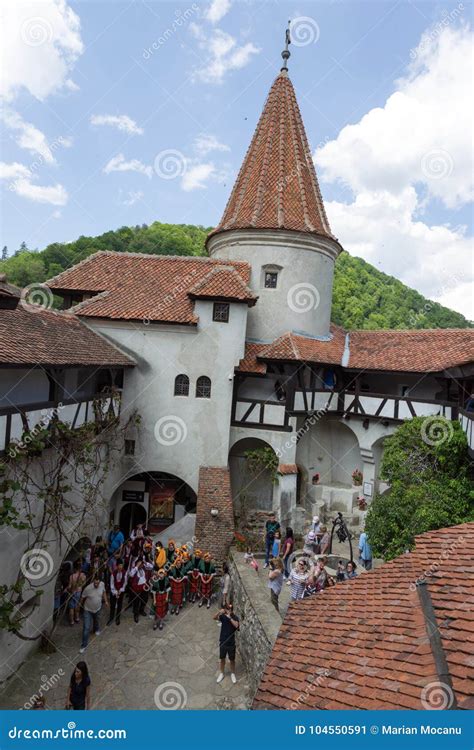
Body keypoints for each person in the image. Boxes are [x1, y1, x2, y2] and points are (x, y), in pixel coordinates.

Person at [80, 576, 108, 653]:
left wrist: (106, 601)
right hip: (88, 610)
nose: (96, 585)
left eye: (97, 583)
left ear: (100, 582)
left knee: (97, 620)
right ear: (93, 581)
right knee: (86, 627)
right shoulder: (87, 588)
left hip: (98, 608)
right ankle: (83, 646)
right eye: (95, 583)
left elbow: (104, 592)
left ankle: (97, 629)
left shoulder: (102, 584)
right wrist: (79, 607)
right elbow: (82, 598)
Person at [213, 602, 240, 684]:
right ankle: (221, 673)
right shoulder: (223, 616)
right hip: (223, 641)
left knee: (232, 660)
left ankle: (232, 673)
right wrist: (219, 612)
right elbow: (214, 618)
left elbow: (237, 626)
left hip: (231, 643)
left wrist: (230, 618)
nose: (227, 610)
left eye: (229, 609)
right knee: (222, 659)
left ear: (231, 610)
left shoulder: (235, 617)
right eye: (226, 609)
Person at [129, 557, 153, 623]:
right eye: (140, 564)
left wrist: (145, 562)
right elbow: (130, 574)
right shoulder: (134, 569)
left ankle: (141, 610)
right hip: (136, 589)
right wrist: (137, 566)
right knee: (136, 602)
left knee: (145, 599)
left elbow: (152, 567)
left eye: (142, 564)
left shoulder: (144, 568)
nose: (141, 565)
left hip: (144, 588)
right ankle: (136, 614)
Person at [108, 558, 127, 626]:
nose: (120, 567)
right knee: (112, 605)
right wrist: (116, 592)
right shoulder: (113, 574)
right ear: (116, 566)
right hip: (114, 591)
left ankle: (117, 618)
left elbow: (125, 583)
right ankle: (111, 618)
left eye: (121, 565)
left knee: (119, 605)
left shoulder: (124, 572)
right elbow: (112, 584)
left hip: (121, 591)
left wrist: (121, 590)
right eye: (119, 565)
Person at [67, 560, 86, 626]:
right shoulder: (83, 575)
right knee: (77, 605)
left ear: (74, 568)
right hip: (79, 592)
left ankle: (72, 621)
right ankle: (77, 618)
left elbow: (69, 586)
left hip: (72, 592)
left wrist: (67, 589)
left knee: (71, 607)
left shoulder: (71, 576)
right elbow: (83, 583)